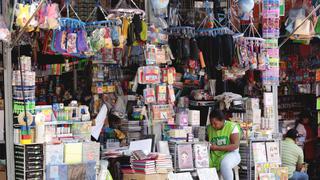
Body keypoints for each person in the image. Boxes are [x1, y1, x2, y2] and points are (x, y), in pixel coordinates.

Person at [206, 110, 241, 180]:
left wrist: (217, 148)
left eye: (215, 123)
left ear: (222, 120)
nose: (213, 125)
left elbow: (235, 145)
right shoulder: (209, 128)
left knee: (225, 164)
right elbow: (206, 141)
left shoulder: (232, 127)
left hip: (231, 154)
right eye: (211, 123)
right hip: (214, 155)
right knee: (202, 163)